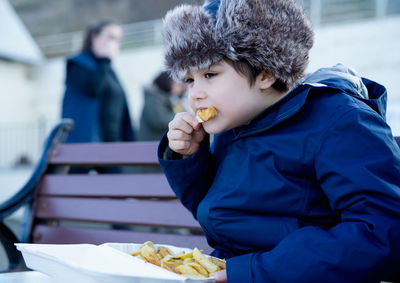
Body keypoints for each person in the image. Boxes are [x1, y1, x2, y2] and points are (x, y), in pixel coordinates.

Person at [157, 0, 400, 282]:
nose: (195, 94)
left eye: (210, 75)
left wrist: (254, 272)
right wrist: (189, 158)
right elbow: (223, 214)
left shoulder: (338, 121)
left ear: (266, 73)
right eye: (189, 79)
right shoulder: (233, 125)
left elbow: (384, 230)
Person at [61, 20, 135, 145]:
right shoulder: (78, 64)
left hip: (115, 141)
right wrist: (105, 59)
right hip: (91, 143)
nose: (114, 43)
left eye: (118, 39)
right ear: (95, 37)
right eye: (111, 37)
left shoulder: (108, 69)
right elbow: (94, 89)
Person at [138, 71, 187, 141]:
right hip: (150, 142)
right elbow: (160, 120)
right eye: (177, 84)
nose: (179, 88)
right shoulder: (154, 97)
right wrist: (182, 114)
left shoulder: (167, 97)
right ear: (168, 83)